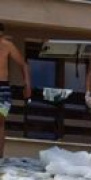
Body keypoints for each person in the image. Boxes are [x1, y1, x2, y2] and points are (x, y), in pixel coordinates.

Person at [0, 22, 31, 159]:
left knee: (0, 122)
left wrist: (27, 84)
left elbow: (23, 64)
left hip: (3, 87)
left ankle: (0, 157)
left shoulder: (7, 45)